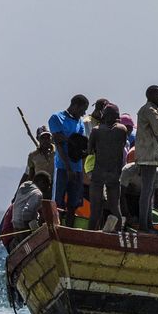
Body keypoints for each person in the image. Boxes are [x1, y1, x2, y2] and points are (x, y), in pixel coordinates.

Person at [132, 85, 158, 230]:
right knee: (147, 192)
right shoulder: (149, 110)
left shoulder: (153, 110)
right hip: (147, 156)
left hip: (150, 156)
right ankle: (144, 225)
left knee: (149, 192)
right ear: (153, 96)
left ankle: (147, 223)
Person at [47, 94, 90, 224]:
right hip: (62, 166)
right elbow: (59, 143)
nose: (84, 113)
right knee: (58, 201)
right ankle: (56, 226)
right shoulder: (56, 118)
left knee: (74, 203)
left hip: (77, 167)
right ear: (75, 106)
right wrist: (68, 167)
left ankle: (69, 227)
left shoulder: (79, 122)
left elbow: (78, 143)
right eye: (83, 109)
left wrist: (68, 140)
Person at [87, 103, 129, 231]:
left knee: (95, 209)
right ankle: (118, 234)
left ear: (103, 115)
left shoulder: (96, 130)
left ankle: (91, 235)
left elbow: (90, 151)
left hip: (98, 173)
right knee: (115, 207)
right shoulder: (122, 130)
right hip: (114, 173)